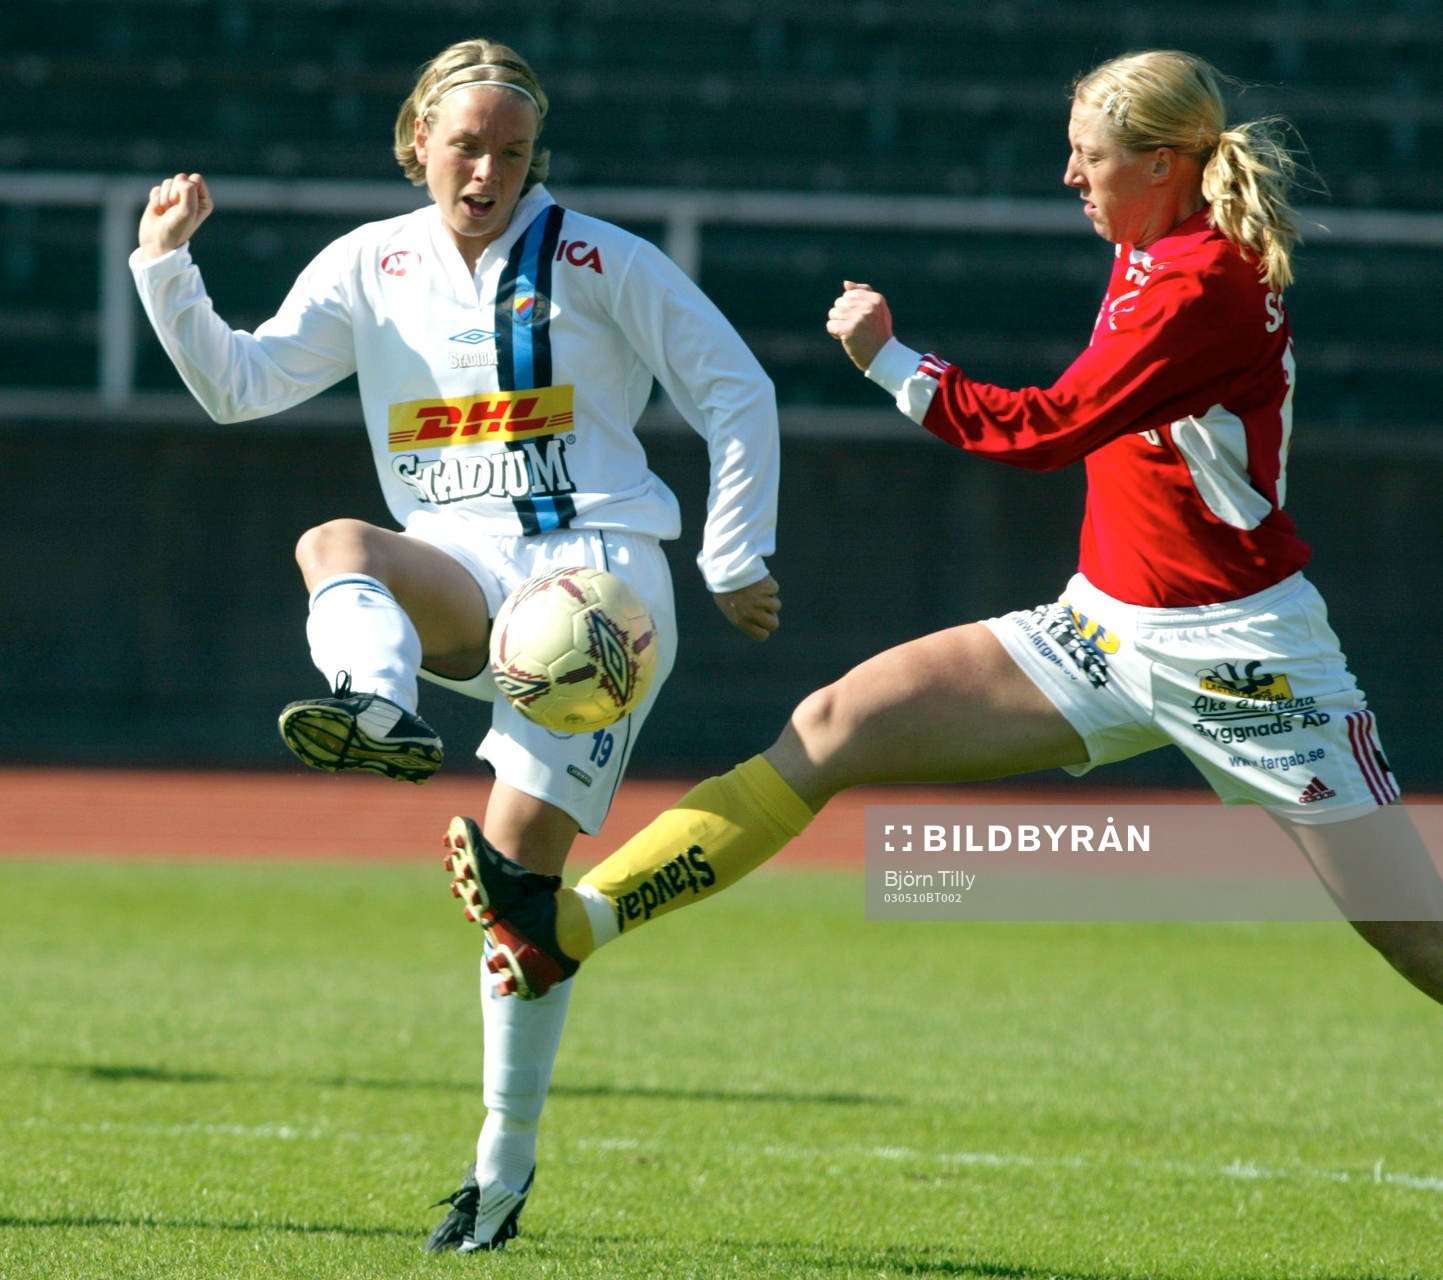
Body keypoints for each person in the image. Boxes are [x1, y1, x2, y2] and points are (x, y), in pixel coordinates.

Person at [442, 47, 1443, 1055]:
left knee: (1416, 936)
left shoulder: (1199, 282)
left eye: (1088, 155)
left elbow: (1047, 429)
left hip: (1245, 658)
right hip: (1103, 630)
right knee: (834, 725)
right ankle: (565, 928)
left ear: (1161, 163)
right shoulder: (1157, 242)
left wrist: (888, 359)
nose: (1069, 174)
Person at [130, 37, 782, 1254]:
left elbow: (736, 387)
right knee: (335, 542)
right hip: (467, 570)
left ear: (536, 157)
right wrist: (166, 269)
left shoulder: (601, 259)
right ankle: (376, 706)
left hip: (599, 589)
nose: (487, 172)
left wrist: (733, 552)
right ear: (415, 142)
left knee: (516, 899)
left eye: (512, 152)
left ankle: (498, 1167)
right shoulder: (369, 263)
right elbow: (240, 384)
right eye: (466, 147)